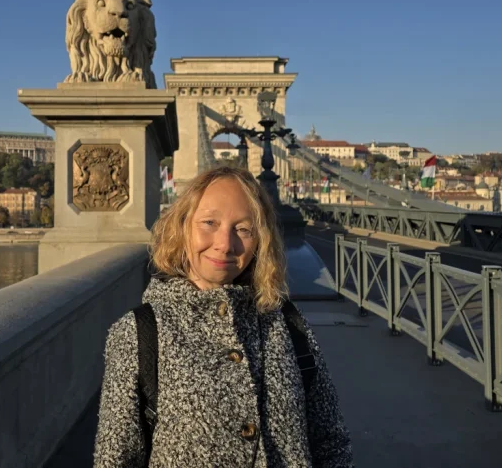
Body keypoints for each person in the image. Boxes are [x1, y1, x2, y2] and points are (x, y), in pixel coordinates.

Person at [93, 166, 352, 467]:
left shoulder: (289, 323)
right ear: (182, 226)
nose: (225, 244)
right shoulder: (139, 334)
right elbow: (115, 460)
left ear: (260, 239)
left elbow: (330, 442)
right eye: (209, 223)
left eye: (243, 229)